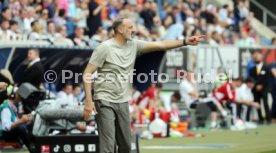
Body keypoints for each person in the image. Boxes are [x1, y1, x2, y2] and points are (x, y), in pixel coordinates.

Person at [82, 17, 204, 153]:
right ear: (120, 30)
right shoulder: (104, 48)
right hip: (104, 99)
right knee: (108, 146)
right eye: (130, 27)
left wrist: (185, 41)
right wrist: (89, 101)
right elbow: (87, 73)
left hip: (123, 100)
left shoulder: (134, 45)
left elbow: (160, 45)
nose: (133, 30)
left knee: (126, 146)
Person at [0, 84, 35, 153]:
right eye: (18, 94)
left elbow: (15, 121)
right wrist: (21, 121)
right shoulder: (5, 107)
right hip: (4, 135)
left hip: (11, 133)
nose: (20, 97)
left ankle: (36, 146)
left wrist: (25, 119)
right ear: (12, 95)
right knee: (21, 128)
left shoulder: (12, 107)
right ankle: (32, 148)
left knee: (30, 127)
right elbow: (6, 127)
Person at [249, 51, 271, 124]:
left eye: (257, 56)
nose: (256, 58)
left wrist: (261, 85)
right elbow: (251, 79)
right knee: (257, 104)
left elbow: (267, 78)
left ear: (261, 57)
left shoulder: (266, 67)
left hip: (264, 89)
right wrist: (256, 86)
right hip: (255, 90)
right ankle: (260, 119)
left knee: (265, 103)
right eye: (255, 57)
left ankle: (268, 119)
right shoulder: (252, 69)